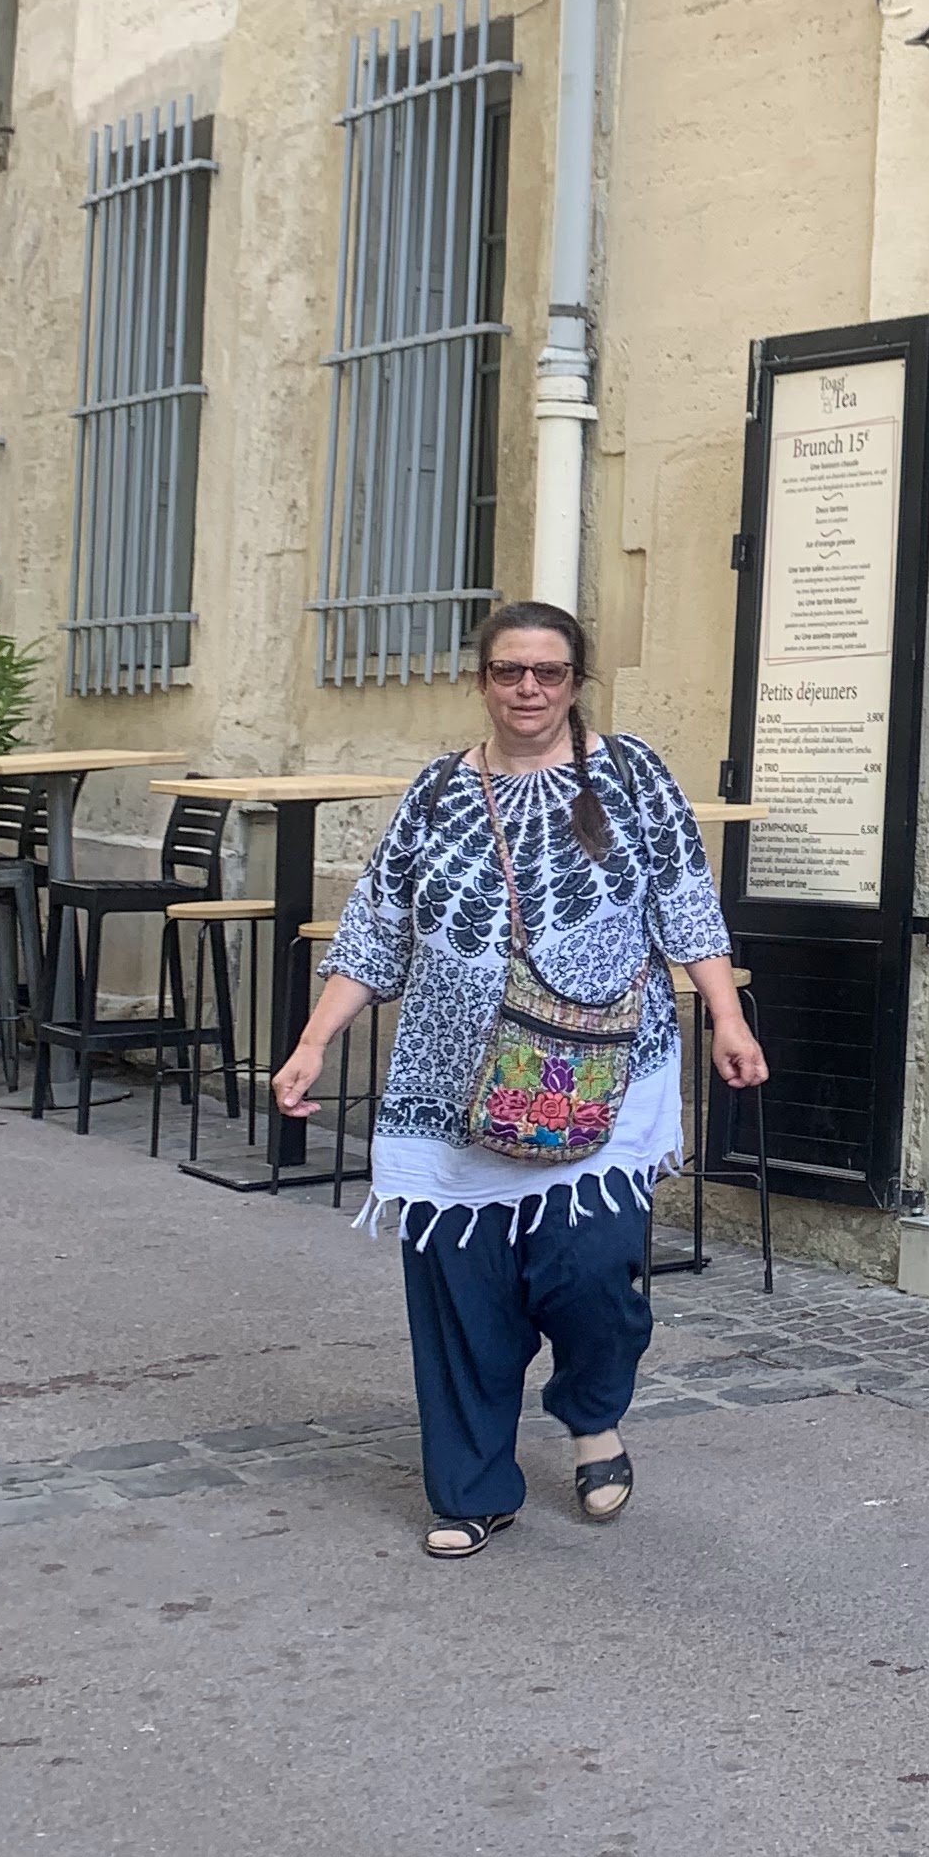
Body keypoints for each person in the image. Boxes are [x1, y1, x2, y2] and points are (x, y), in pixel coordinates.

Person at [274, 602, 767, 1562]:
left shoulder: (631, 775)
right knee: (463, 1296)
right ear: (484, 680)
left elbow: (684, 901)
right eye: (509, 672)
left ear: (576, 682)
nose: (529, 689)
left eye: (549, 672)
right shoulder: (435, 792)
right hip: (449, 1087)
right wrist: (312, 1042)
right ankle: (472, 1491)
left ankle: (591, 1409)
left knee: (592, 1274)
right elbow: (376, 927)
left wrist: (728, 1018)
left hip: (599, 1081)